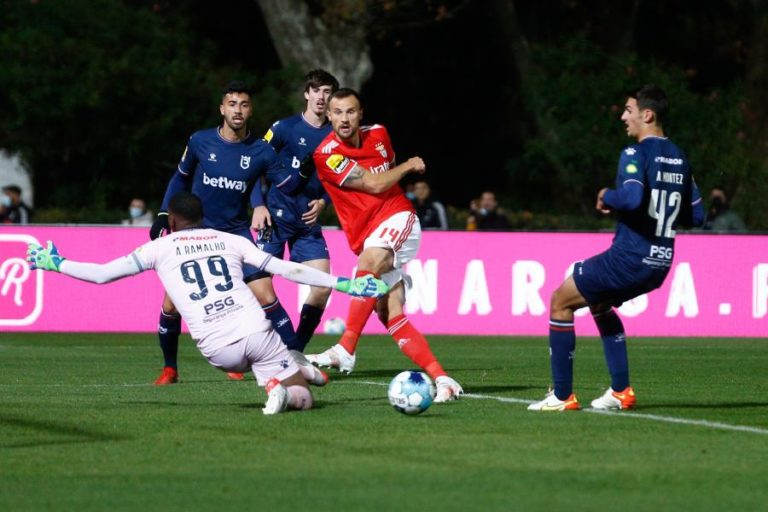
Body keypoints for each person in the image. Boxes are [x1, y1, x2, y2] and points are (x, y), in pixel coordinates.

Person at [26, 192, 389, 414]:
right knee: (305, 398)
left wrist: (55, 264)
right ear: (201, 218)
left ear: (171, 219)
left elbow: (102, 274)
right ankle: (291, 380)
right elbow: (289, 269)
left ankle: (283, 381)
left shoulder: (158, 248)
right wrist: (345, 283)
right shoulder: (228, 239)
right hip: (257, 333)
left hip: (218, 351)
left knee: (276, 369)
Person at [528, 84, 704, 412]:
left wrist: (606, 195)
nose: (623, 117)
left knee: (559, 301)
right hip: (660, 262)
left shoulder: (635, 153)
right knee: (600, 304)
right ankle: (621, 391)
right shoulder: (680, 158)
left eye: (628, 110)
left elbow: (632, 197)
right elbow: (697, 215)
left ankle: (563, 396)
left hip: (629, 257)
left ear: (647, 115)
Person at [304, 88, 463, 402]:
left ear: (361, 113)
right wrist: (408, 166)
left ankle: (346, 348)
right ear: (329, 116)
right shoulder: (327, 154)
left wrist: (394, 172)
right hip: (367, 234)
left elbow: (384, 175)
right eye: (337, 112)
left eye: (350, 111)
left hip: (398, 218)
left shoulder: (379, 134)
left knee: (369, 264)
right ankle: (443, 379)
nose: (344, 118)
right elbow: (377, 182)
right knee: (389, 311)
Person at [149, 81, 305, 385]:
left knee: (266, 294)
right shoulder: (200, 141)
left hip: (235, 235)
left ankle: (297, 358)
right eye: (232, 104)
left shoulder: (261, 151)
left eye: (244, 104)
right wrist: (164, 213)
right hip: (196, 233)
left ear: (251, 110)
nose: (238, 110)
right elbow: (179, 178)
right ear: (222, 108)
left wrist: (308, 174)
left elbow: (286, 185)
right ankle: (170, 369)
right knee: (170, 303)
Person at [252, 69, 340, 355]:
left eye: (327, 92)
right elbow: (253, 166)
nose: (321, 97)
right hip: (275, 219)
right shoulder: (284, 128)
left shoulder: (335, 136)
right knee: (258, 289)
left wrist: (324, 202)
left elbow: (339, 178)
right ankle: (250, 349)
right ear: (307, 93)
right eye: (316, 90)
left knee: (323, 286)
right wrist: (258, 204)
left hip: (307, 223)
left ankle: (295, 350)